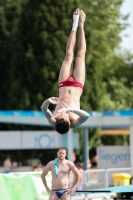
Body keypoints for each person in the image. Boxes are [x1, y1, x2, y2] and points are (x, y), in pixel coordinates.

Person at [41, 8, 90, 134]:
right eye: (66, 118)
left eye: (61, 117)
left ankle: (74, 24)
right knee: (80, 56)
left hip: (63, 84)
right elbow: (86, 116)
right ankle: (81, 24)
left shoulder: (54, 120)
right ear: (69, 123)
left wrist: (48, 101)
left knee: (68, 55)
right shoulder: (74, 122)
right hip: (78, 86)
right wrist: (73, 110)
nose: (64, 115)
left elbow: (44, 109)